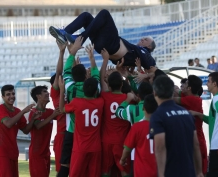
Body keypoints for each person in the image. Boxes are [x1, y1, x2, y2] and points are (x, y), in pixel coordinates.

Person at [49, 9, 156, 71]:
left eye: (145, 39)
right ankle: (64, 33)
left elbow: (152, 66)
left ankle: (80, 38)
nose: (142, 39)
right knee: (86, 16)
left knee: (105, 13)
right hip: (102, 45)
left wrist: (143, 72)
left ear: (149, 46)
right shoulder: (135, 50)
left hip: (112, 45)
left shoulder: (145, 53)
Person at [57, 38, 100, 177]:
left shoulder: (70, 87)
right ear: (86, 76)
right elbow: (96, 76)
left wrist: (72, 52)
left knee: (66, 166)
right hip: (91, 136)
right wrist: (92, 58)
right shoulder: (96, 90)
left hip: (72, 132)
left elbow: (66, 71)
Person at [149, 76, 203, 177]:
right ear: (171, 92)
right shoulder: (186, 114)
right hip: (189, 171)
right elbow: (196, 144)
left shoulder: (157, 116)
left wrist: (161, 174)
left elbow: (160, 148)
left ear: (154, 93)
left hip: (171, 171)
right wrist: (199, 171)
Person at [59, 77, 104, 177]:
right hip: (96, 148)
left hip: (80, 147)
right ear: (96, 91)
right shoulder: (100, 102)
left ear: (83, 89)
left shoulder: (76, 102)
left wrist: (62, 90)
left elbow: (61, 109)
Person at [0, 84, 39, 177]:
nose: (12, 96)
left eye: (13, 93)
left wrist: (33, 119)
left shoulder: (17, 111)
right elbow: (8, 123)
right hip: (1, 152)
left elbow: (26, 130)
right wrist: (23, 111)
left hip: (13, 152)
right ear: (3, 97)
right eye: (8, 94)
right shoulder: (0, 109)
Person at [100, 48, 131, 176]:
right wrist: (122, 73)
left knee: (106, 171)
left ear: (110, 86)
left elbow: (101, 78)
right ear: (122, 85)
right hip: (122, 141)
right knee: (124, 170)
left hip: (106, 140)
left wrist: (105, 60)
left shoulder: (105, 96)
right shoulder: (127, 98)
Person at [173, 75, 208, 175]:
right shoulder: (190, 97)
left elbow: (173, 98)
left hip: (197, 142)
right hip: (193, 140)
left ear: (189, 88)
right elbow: (177, 91)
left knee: (198, 172)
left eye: (185, 84)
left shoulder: (192, 100)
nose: (182, 86)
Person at [120, 94, 158, 177]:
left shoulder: (137, 127)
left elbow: (127, 148)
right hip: (158, 170)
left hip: (141, 171)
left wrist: (122, 160)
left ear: (143, 108)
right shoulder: (163, 126)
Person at [28, 86, 60, 177]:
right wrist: (52, 116)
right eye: (44, 92)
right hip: (36, 154)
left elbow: (61, 115)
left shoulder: (50, 112)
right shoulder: (33, 112)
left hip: (46, 153)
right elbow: (38, 126)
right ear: (38, 96)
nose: (48, 93)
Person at [49, 40, 67, 173]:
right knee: (62, 171)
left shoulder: (71, 92)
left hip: (75, 135)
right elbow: (59, 73)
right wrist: (62, 52)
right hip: (62, 136)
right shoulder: (56, 93)